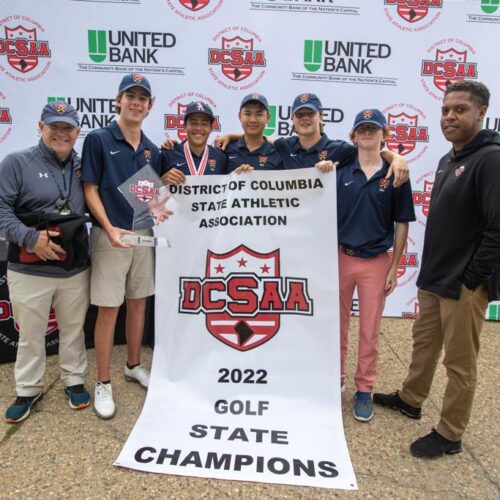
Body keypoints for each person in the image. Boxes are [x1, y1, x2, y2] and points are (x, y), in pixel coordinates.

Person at [374, 80, 500, 458]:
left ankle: (450, 433)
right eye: (446, 110)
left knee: (460, 362)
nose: (450, 116)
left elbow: (497, 228)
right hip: (434, 277)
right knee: (424, 344)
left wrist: (472, 278)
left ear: (480, 112)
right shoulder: (450, 158)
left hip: (464, 284)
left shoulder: (491, 159)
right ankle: (411, 399)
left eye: (460, 109)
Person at [0, 102, 91, 422]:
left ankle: (74, 379)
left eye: (68, 128)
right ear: (41, 127)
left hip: (73, 266)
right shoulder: (16, 161)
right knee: (30, 332)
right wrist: (30, 238)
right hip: (29, 267)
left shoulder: (86, 165)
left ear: (78, 132)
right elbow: (1, 209)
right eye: (55, 126)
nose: (61, 133)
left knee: (73, 329)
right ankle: (28, 388)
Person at [81, 73, 163, 419]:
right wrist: (108, 227)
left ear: (150, 106)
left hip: (142, 235)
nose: (136, 102)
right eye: (130, 96)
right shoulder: (99, 139)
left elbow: (151, 198)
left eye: (142, 98)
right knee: (109, 310)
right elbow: (90, 189)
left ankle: (133, 365)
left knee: (139, 305)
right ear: (118, 100)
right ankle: (103, 382)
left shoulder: (152, 148)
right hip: (110, 237)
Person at [337, 108, 415, 422]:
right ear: (353, 136)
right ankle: (334, 380)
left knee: (370, 331)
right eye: (362, 129)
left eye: (374, 128)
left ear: (384, 136)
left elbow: (402, 224)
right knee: (336, 328)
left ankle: (365, 388)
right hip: (340, 257)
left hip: (375, 262)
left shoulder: (396, 173)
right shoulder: (339, 169)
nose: (368, 133)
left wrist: (395, 267)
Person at [216, 93, 409, 185]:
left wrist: (395, 157)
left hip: (320, 237)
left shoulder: (339, 149)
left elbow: (369, 150)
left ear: (321, 116)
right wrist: (231, 136)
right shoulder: (285, 145)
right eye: (300, 115)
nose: (305, 119)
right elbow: (261, 138)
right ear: (293, 120)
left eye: (310, 113)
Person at [160, 101, 227, 184]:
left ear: (211, 129)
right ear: (184, 126)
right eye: (193, 123)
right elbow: (148, 190)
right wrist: (161, 182)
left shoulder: (220, 158)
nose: (198, 128)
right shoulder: (168, 155)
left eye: (204, 123)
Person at [225, 93, 282, 173]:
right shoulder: (225, 149)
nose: (253, 120)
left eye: (259, 114)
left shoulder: (278, 153)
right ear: (240, 116)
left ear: (268, 118)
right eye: (247, 114)